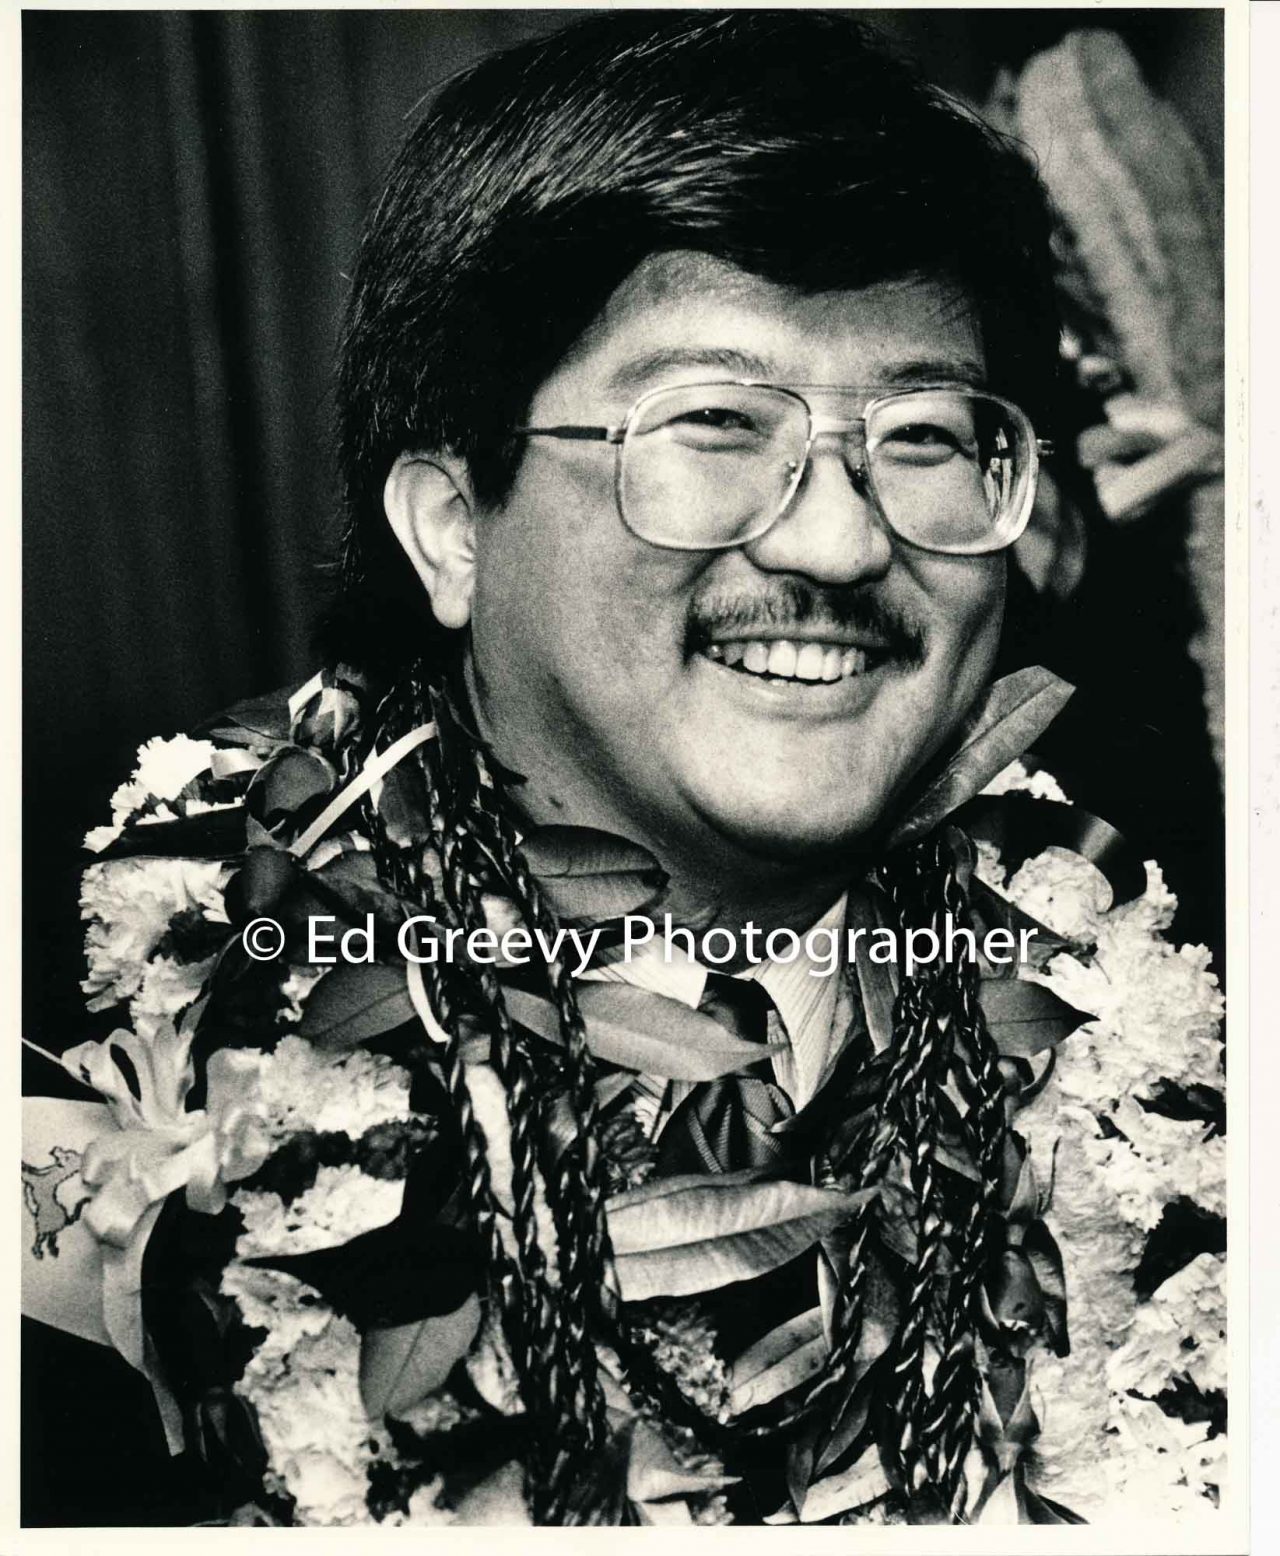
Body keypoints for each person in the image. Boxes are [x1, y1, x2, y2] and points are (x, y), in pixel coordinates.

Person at [24, 10, 1227, 1529]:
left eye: (925, 434)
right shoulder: (124, 1064)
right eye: (714, 421)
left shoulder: (1171, 1002)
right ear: (455, 525)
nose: (842, 540)